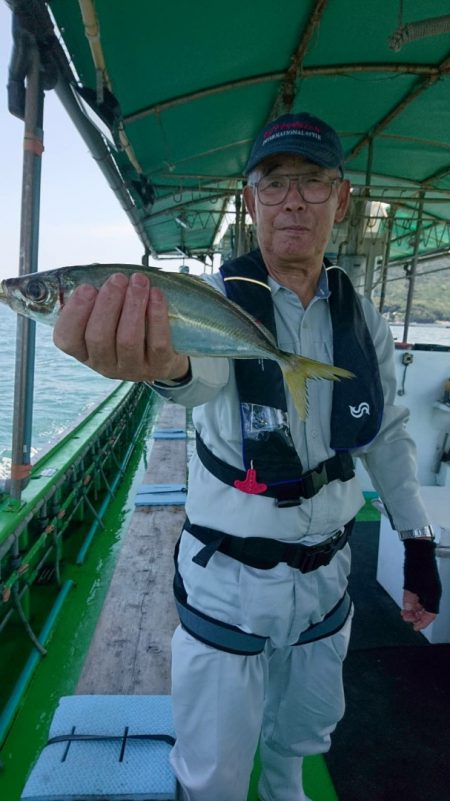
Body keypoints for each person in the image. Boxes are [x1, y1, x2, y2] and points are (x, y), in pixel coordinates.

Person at [54, 112, 442, 801]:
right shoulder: (213, 300)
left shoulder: (365, 318)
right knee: (214, 777)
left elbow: (387, 432)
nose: (293, 198)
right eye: (274, 181)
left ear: (341, 199)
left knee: (300, 745)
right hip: (226, 584)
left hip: (329, 582)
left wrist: (416, 541)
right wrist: (163, 365)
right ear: (251, 199)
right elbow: (194, 377)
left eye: (313, 181)